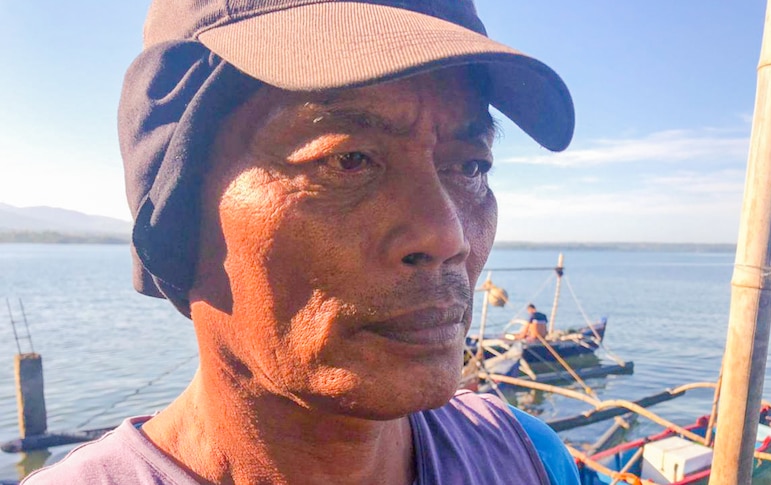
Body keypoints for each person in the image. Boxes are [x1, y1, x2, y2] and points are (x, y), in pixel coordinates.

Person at [22, 0, 578, 483]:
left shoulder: (529, 456)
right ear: (174, 205)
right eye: (348, 160)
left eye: (471, 166)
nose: (445, 235)